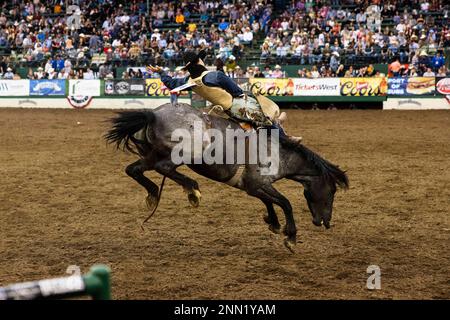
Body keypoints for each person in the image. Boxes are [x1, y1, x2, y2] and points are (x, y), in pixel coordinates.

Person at [148, 50, 301, 143]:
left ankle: (275, 122)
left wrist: (161, 72)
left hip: (221, 110)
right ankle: (283, 136)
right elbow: (236, 91)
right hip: (235, 105)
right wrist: (242, 95)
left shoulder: (189, 81)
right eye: (200, 59)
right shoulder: (214, 76)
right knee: (259, 113)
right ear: (198, 62)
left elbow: (171, 83)